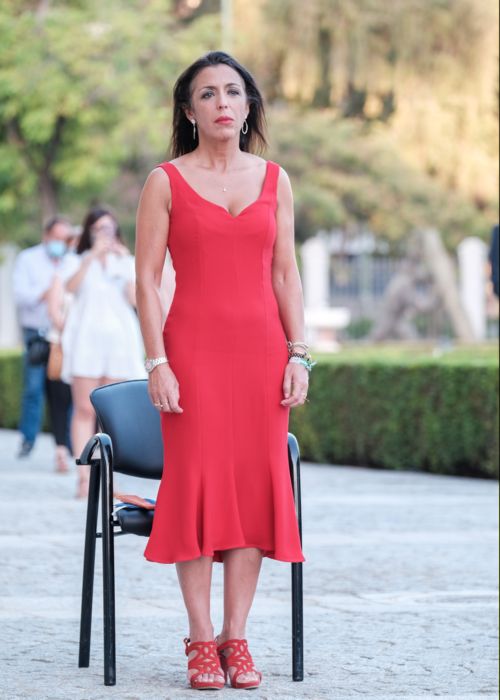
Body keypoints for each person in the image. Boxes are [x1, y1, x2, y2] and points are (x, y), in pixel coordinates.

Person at [135, 51, 312, 691]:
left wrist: (299, 352)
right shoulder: (165, 181)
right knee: (199, 489)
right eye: (206, 94)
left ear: (248, 105)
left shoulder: (275, 179)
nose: (221, 103)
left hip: (263, 356)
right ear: (189, 110)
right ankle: (200, 639)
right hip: (193, 356)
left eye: (232, 92)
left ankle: (238, 638)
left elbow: (285, 274)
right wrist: (157, 361)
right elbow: (147, 283)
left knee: (254, 493)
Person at [59, 208, 146, 497]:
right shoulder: (76, 260)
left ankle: (108, 477)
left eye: (109, 228)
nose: (105, 234)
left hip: (118, 343)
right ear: (90, 232)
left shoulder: (126, 262)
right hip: (86, 340)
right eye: (99, 229)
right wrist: (92, 257)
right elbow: (69, 288)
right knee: (84, 409)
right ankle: (83, 477)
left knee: (109, 415)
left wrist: (123, 264)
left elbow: (136, 300)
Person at [12, 216, 73, 458]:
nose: (60, 243)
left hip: (63, 336)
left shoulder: (72, 261)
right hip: (36, 332)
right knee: (33, 388)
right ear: (46, 236)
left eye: (65, 238)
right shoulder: (28, 259)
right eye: (56, 237)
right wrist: (47, 293)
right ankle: (28, 439)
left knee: (65, 389)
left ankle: (68, 442)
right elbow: (20, 296)